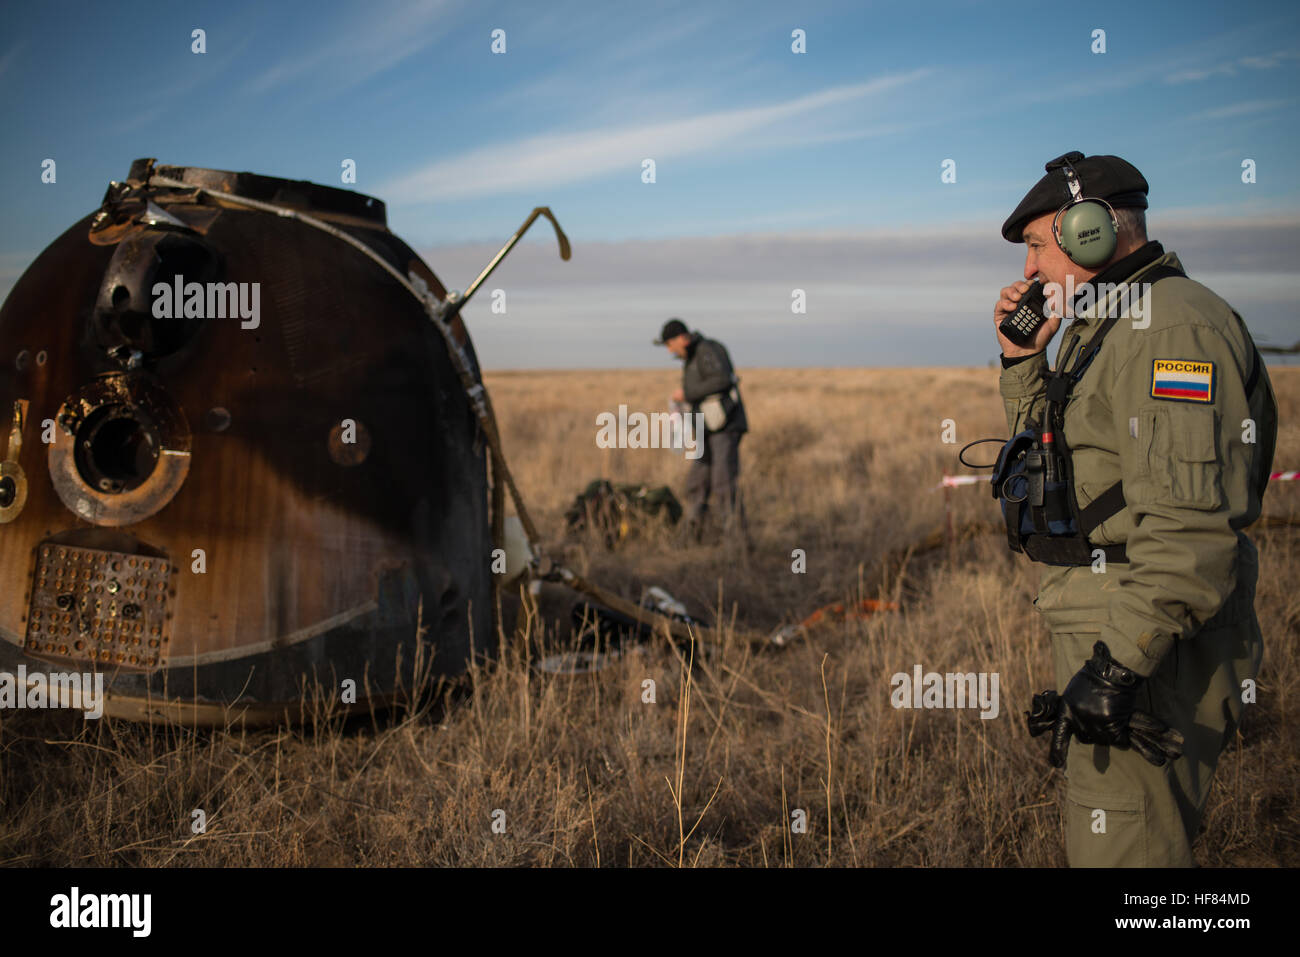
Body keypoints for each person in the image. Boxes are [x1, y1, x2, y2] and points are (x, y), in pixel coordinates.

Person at [991, 151, 1278, 867]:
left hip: (1144, 641)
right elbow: (1059, 458)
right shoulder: (1111, 324)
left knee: (1129, 856)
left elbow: (1190, 527)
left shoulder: (1170, 330)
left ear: (1089, 229)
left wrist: (1118, 665)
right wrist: (1023, 359)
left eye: (1035, 244)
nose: (1028, 271)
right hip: (1119, 625)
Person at [654, 318, 749, 542]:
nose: (669, 350)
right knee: (697, 482)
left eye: (669, 344)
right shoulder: (692, 357)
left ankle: (736, 544)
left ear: (681, 338)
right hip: (706, 428)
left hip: (725, 427)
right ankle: (693, 537)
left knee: (723, 483)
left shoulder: (708, 350)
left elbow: (722, 380)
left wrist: (687, 392)